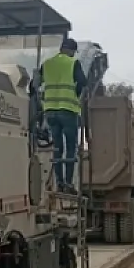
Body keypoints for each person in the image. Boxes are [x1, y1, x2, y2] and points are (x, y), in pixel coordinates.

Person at [40, 38, 88, 193]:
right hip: (68, 110)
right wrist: (76, 94)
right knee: (71, 148)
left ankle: (59, 183)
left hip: (50, 112)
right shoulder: (73, 63)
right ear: (71, 50)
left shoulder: (47, 64)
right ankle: (68, 183)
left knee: (57, 148)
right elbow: (82, 82)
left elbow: (34, 84)